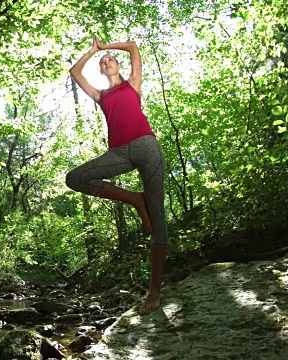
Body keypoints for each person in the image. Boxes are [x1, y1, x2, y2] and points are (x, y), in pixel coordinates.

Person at [66, 36, 168, 315]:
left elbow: (134, 47)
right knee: (75, 178)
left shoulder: (132, 84)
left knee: (158, 218)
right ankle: (135, 200)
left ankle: (154, 289)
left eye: (110, 59)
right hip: (119, 153)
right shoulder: (101, 95)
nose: (106, 61)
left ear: (118, 64)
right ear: (101, 71)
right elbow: (75, 73)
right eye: (102, 62)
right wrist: (92, 51)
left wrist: (106, 47)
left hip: (147, 147)